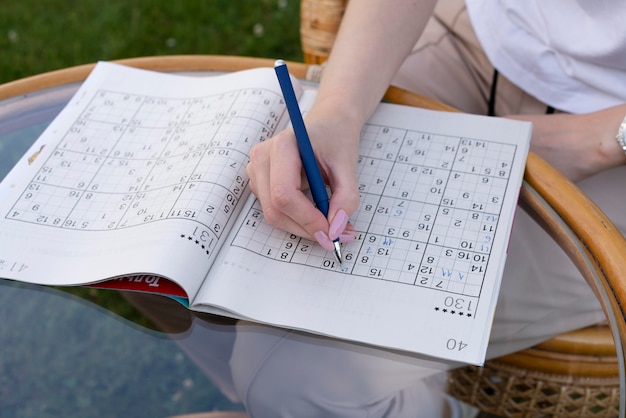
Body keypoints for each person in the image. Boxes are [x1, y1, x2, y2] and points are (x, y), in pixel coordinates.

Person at [238, 0, 626, 416]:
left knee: (298, 371)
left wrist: (596, 139)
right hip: (483, 35)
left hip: (616, 144)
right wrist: (338, 112)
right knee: (244, 237)